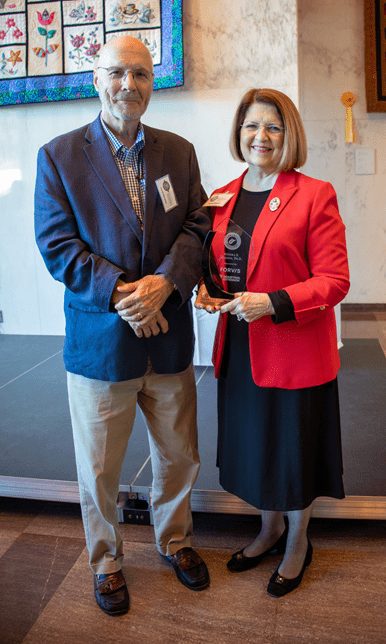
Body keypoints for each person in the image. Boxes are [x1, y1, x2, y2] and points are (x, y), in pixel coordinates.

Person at [34, 35, 210, 616]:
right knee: (99, 469)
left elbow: (198, 227)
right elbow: (57, 245)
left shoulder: (179, 153)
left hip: (170, 339)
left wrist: (166, 283)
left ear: (151, 83)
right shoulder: (58, 156)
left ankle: (175, 541)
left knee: (179, 456)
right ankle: (107, 560)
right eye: (116, 73)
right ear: (96, 79)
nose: (128, 85)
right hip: (101, 343)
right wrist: (125, 293)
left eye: (139, 74)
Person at [196, 88, 349, 597]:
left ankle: (298, 541)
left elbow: (334, 280)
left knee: (292, 452)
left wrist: (274, 302)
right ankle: (269, 528)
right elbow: (222, 267)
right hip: (240, 348)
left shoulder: (314, 193)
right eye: (251, 126)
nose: (260, 137)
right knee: (258, 448)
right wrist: (209, 291)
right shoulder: (221, 196)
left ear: (290, 136)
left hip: (293, 349)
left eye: (273, 127)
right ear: (238, 133)